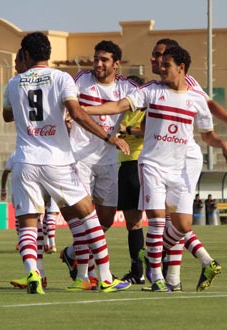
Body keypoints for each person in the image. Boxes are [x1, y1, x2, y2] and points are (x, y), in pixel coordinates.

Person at [84, 45, 227, 291]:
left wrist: (222, 141)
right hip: (152, 164)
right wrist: (83, 110)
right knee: (157, 220)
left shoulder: (197, 99)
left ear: (181, 68)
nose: (161, 69)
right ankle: (157, 276)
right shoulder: (152, 90)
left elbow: (207, 135)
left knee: (182, 224)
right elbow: (118, 106)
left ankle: (152, 257)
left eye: (166, 65)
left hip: (180, 169)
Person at [3, 32, 132, 294]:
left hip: (25, 160)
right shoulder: (61, 78)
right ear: (47, 53)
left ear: (26, 55)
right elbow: (76, 113)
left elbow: (7, 115)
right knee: (89, 214)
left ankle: (34, 274)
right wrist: (109, 136)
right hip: (57, 160)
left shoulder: (14, 83)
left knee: (28, 222)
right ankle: (105, 277)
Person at [150, 38, 227, 291]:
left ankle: (158, 261)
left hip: (179, 158)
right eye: (155, 55)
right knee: (176, 222)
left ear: (177, 63)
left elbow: (209, 105)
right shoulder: (155, 88)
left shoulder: (186, 83)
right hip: (175, 156)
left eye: (161, 56)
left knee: (168, 221)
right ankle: (176, 278)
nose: (156, 60)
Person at [59, 40, 139, 289]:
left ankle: (72, 254)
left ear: (116, 64)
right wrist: (66, 120)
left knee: (104, 220)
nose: (98, 64)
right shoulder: (81, 80)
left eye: (104, 60)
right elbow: (66, 106)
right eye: (96, 58)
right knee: (87, 217)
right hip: (79, 158)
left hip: (107, 161)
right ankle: (89, 275)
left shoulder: (126, 87)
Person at [116, 75, 148, 285]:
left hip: (138, 163)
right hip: (124, 166)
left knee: (149, 220)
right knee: (133, 223)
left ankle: (155, 270)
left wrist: (125, 130)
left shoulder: (146, 109)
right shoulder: (120, 110)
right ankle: (138, 270)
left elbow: (147, 132)